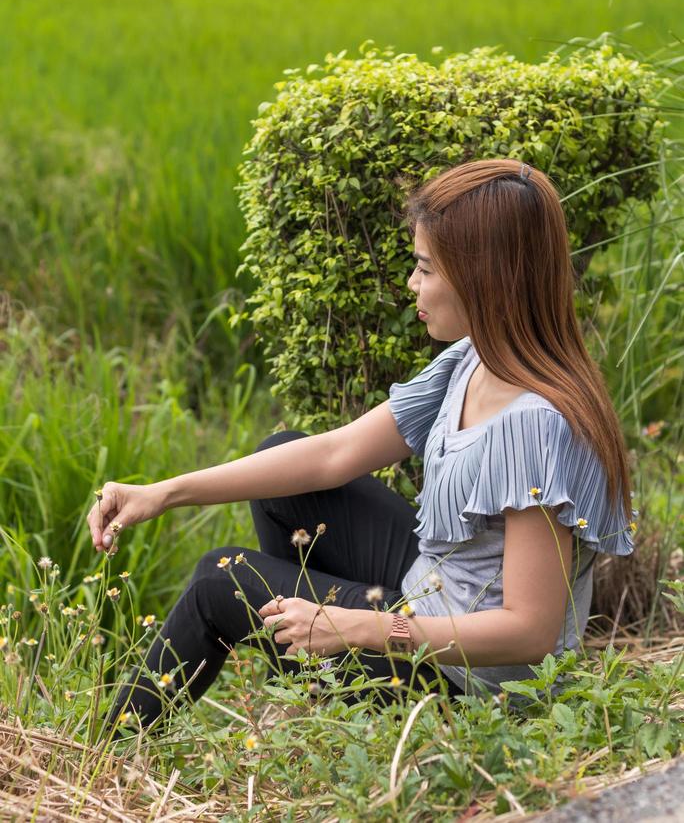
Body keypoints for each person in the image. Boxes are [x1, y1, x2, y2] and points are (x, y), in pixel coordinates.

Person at [87, 158, 637, 739]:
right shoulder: (476, 359)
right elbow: (334, 454)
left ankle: (104, 753)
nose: (412, 284)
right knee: (288, 463)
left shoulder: (533, 426)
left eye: (425, 268)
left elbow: (531, 632)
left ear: (484, 278)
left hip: (474, 686)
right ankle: (320, 675)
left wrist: (358, 628)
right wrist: (164, 493)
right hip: (435, 590)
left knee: (217, 583)